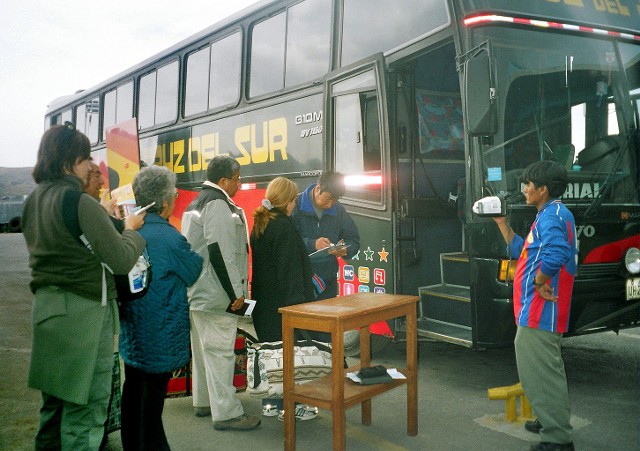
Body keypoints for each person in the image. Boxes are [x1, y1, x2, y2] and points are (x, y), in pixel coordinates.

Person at [22, 122, 147, 450]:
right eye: (84, 159)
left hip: (48, 313)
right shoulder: (79, 202)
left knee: (53, 411)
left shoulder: (34, 200)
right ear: (67, 162)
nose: (90, 165)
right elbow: (120, 260)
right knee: (86, 412)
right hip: (85, 318)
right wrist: (132, 229)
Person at [492, 160, 577, 451]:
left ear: (543, 190)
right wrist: (502, 223)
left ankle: (557, 439)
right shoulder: (551, 214)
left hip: (542, 311)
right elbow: (523, 251)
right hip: (538, 310)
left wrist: (540, 281)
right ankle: (548, 417)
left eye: (529, 185)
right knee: (546, 371)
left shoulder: (552, 216)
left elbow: (556, 254)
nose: (524, 189)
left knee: (541, 372)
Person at [118, 166, 203, 450]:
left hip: (132, 334)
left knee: (132, 394)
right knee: (152, 407)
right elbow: (193, 270)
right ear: (165, 203)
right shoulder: (170, 238)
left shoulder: (126, 231)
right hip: (160, 334)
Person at [181, 155, 261, 431]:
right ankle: (227, 413)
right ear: (224, 180)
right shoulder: (217, 204)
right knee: (221, 354)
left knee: (204, 352)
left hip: (199, 293)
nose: (240, 184)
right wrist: (236, 293)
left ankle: (204, 402)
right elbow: (221, 251)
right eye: (237, 179)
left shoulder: (196, 202)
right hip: (218, 295)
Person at [250, 177, 318, 421]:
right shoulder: (284, 227)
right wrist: (298, 310)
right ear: (289, 201)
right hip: (283, 306)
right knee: (290, 358)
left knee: (272, 356)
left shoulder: (261, 223)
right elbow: (290, 273)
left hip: (263, 305)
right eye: (294, 199)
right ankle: (292, 408)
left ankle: (273, 405)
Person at [291, 172, 360, 301]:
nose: (330, 205)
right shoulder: (295, 206)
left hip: (328, 284)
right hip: (301, 282)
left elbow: (353, 239)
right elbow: (286, 243)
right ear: (317, 189)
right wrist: (312, 244)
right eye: (328, 199)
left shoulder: (338, 210)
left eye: (335, 200)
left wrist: (346, 250)